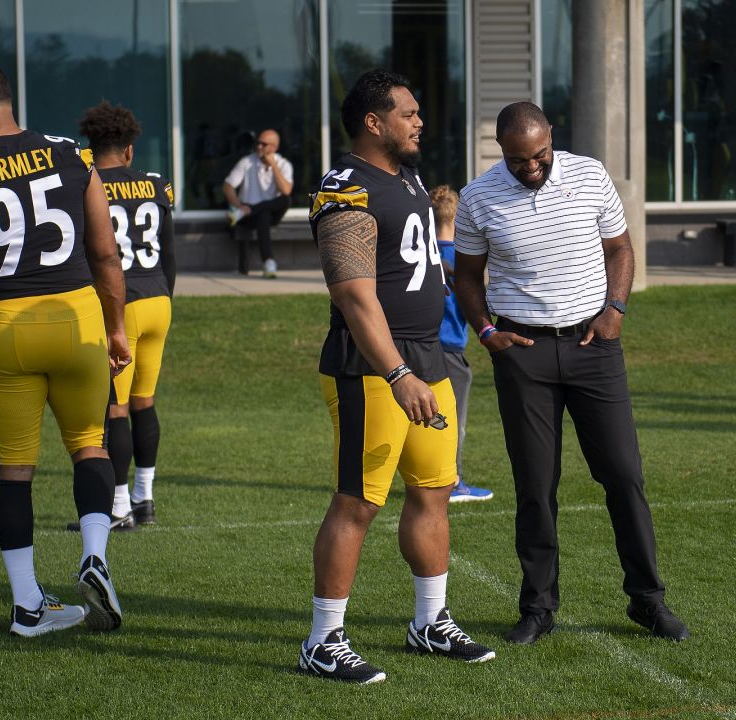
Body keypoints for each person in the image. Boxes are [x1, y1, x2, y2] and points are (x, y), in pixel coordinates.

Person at [452, 102, 689, 645]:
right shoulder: (477, 197)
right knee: (536, 486)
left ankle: (648, 600)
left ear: (551, 137)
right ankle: (537, 608)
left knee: (624, 474)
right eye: (518, 161)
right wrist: (487, 333)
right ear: (500, 151)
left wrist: (616, 310)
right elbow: (465, 276)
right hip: (523, 352)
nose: (531, 168)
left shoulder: (589, 174)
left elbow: (620, 249)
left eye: (539, 156)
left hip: (593, 346)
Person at [0, 63, 131, 637]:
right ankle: (94, 555)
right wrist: (116, 327)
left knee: (14, 469)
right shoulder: (70, 154)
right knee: (90, 446)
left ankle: (28, 603)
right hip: (76, 315)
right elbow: (107, 255)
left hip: (5, 324)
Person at [298, 69, 495, 685]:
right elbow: (355, 295)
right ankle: (323, 639)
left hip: (425, 356)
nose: (420, 122)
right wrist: (398, 371)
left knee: (434, 490)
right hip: (373, 367)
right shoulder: (346, 188)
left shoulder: (406, 177)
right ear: (374, 122)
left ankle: (429, 622)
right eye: (408, 113)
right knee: (358, 501)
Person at [66, 101, 175, 531]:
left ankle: (118, 507)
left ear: (90, 149)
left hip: (119, 303)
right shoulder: (154, 184)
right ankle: (144, 497)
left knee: (116, 409)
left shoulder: (84, 184)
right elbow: (169, 252)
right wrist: (166, 296)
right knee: (145, 402)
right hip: (158, 299)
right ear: (129, 150)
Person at [429, 185, 493, 503]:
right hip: (450, 350)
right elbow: (473, 308)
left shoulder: (421, 255)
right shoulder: (463, 259)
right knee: (453, 421)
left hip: (419, 349)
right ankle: (452, 482)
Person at [223, 129, 293, 278]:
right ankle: (268, 262)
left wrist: (273, 166)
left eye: (264, 144)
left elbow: (286, 190)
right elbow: (228, 186)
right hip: (250, 216)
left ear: (274, 147)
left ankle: (252, 210)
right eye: (257, 143)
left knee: (285, 199)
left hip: (263, 213)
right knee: (264, 214)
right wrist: (238, 205)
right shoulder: (247, 162)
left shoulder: (283, 164)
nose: (259, 146)